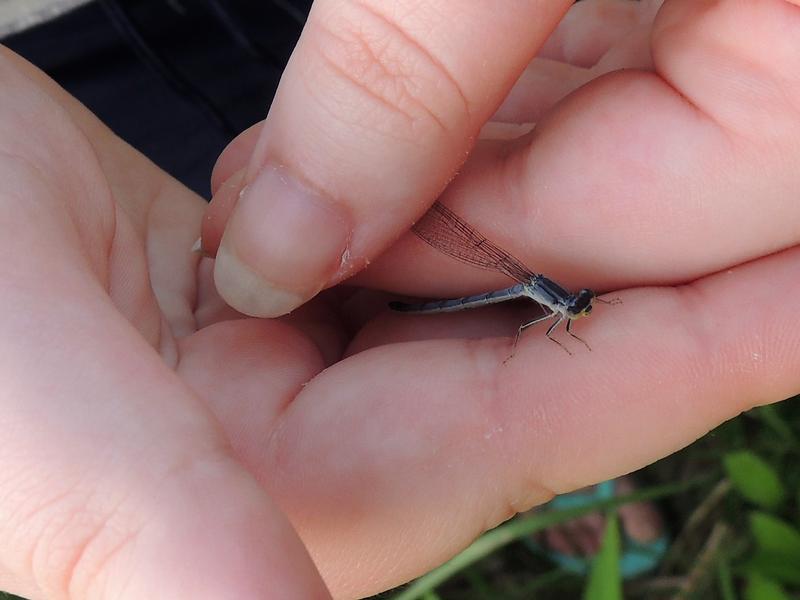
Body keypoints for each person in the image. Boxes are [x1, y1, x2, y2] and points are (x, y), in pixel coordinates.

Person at [0, 0, 799, 598]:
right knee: (239, 160)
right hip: (69, 70)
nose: (578, 309)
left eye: (578, 309)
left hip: (283, 27)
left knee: (292, 108)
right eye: (577, 307)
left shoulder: (558, 292)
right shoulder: (549, 300)